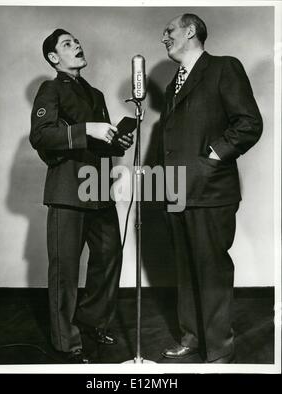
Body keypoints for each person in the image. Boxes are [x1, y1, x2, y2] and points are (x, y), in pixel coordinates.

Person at [158, 14, 262, 363]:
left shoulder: (223, 67)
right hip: (176, 191)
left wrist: (213, 156)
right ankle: (192, 337)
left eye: (169, 31)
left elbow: (249, 123)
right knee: (185, 269)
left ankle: (218, 349)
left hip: (210, 189)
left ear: (190, 31)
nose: (164, 38)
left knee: (210, 269)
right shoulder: (174, 84)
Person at [29, 29, 133, 363]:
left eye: (77, 41)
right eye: (67, 44)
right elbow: (41, 135)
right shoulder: (50, 89)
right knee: (66, 272)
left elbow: (97, 141)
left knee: (109, 258)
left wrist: (116, 141)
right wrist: (88, 129)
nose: (77, 45)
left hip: (98, 189)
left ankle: (91, 324)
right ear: (53, 58)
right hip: (67, 192)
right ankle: (67, 342)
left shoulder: (96, 94)